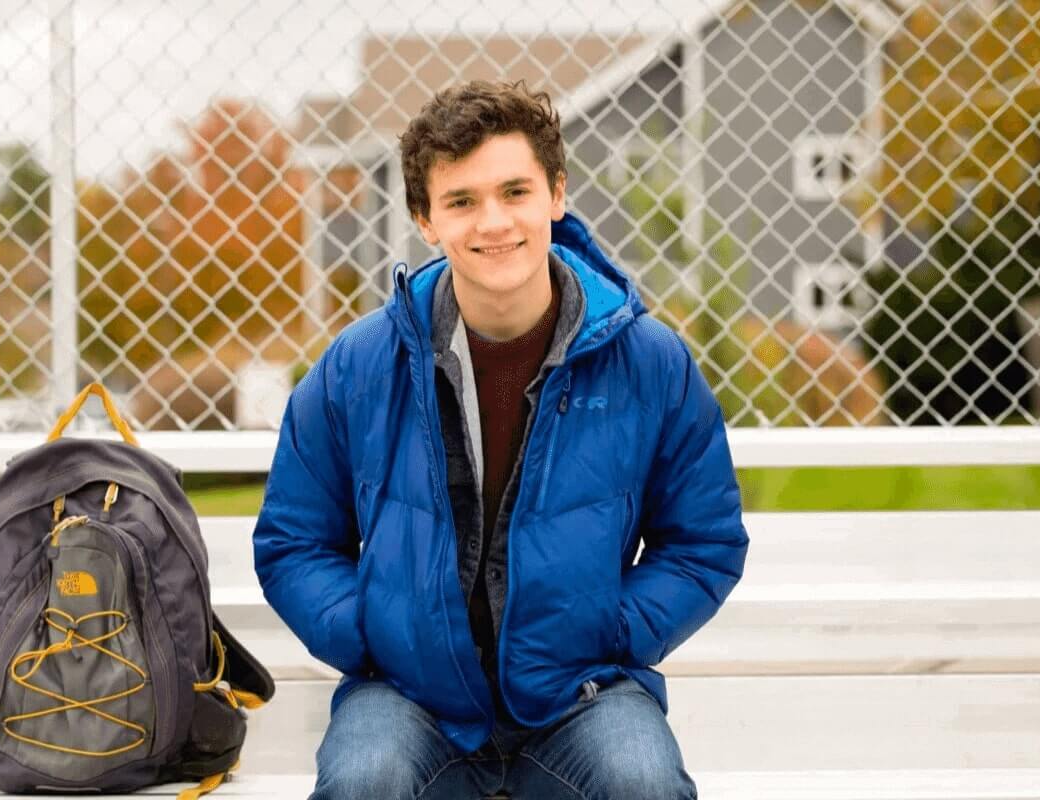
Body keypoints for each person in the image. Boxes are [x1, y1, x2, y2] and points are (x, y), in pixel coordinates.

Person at [253, 79, 748, 800]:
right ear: (425, 219)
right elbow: (294, 542)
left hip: (581, 694)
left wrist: (615, 629)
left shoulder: (650, 363)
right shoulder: (357, 368)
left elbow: (704, 541)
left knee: (643, 781)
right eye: (461, 201)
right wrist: (369, 632)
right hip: (408, 697)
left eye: (515, 191)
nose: (494, 222)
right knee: (364, 779)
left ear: (556, 195)